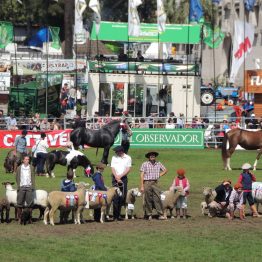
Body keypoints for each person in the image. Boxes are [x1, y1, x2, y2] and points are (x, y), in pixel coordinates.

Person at [140, 151, 168, 220]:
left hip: (155, 183)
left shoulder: (158, 164)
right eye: (151, 156)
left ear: (155, 157)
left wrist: (159, 175)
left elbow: (165, 170)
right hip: (147, 182)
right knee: (148, 198)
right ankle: (149, 214)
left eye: (153, 155)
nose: (152, 156)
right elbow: (142, 175)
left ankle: (160, 214)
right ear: (149, 157)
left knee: (157, 198)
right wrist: (142, 185)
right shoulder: (145, 164)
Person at [111, 145, 132, 221]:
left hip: (123, 178)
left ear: (121, 151)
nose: (116, 152)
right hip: (114, 178)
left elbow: (128, 169)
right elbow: (112, 168)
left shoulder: (128, 158)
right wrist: (116, 177)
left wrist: (120, 176)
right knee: (115, 196)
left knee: (122, 196)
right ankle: (115, 215)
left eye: (117, 151)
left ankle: (119, 214)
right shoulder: (114, 157)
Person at [16, 154, 36, 224]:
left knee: (30, 204)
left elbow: (33, 177)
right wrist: (19, 186)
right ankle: (19, 218)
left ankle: (30, 218)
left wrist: (33, 186)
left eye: (28, 159)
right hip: (21, 187)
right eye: (26, 159)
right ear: (23, 160)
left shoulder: (31, 167)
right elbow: (17, 177)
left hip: (29, 187)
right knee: (19, 204)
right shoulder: (19, 168)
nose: (28, 161)